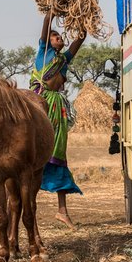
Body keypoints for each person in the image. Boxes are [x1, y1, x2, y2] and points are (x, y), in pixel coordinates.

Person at [30, 13, 86, 229]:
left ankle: (62, 211)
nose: (58, 37)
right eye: (55, 36)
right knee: (33, 154)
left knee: (58, 155)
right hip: (39, 101)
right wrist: (50, 12)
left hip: (57, 107)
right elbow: (46, 24)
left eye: (60, 36)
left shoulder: (64, 60)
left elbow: (79, 39)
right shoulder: (43, 52)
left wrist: (83, 19)